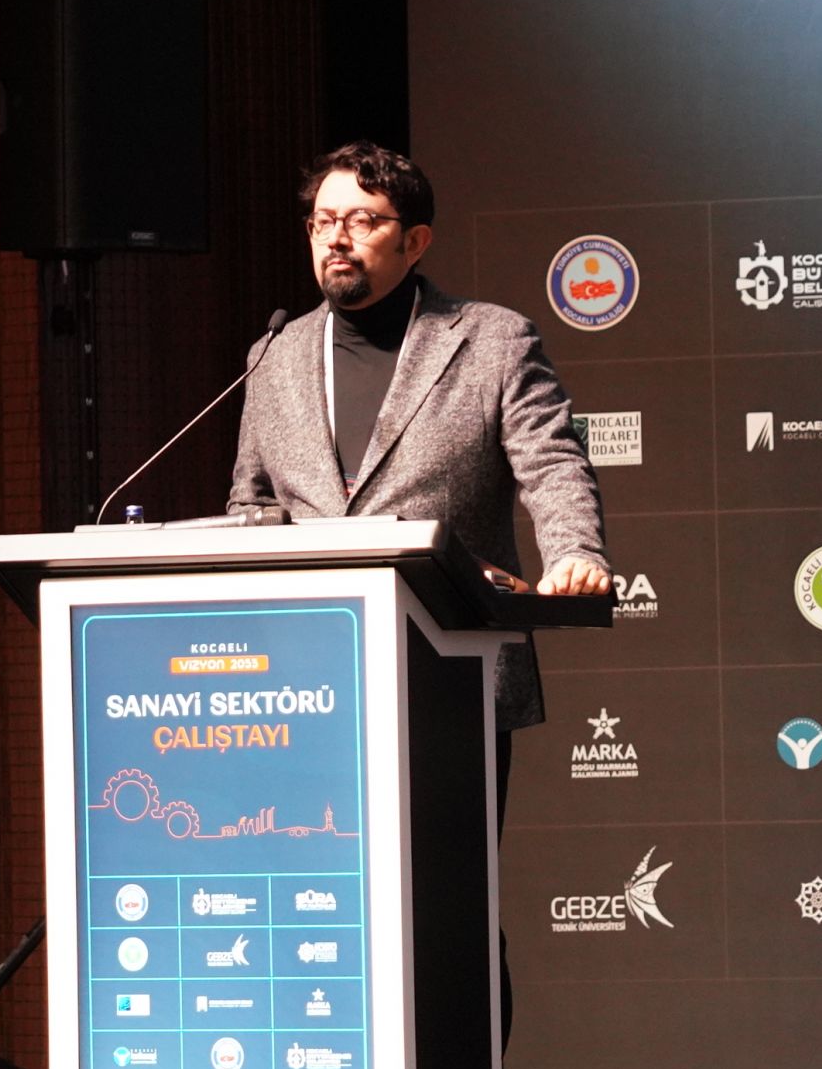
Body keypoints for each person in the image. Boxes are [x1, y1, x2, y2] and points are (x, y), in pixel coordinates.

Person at [225, 140, 612, 860]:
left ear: (415, 241)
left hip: (447, 672)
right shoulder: (273, 355)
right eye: (322, 221)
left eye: (362, 221)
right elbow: (251, 502)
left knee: (447, 897)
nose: (336, 238)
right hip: (298, 691)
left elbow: (553, 463)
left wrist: (574, 553)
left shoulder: (492, 340)